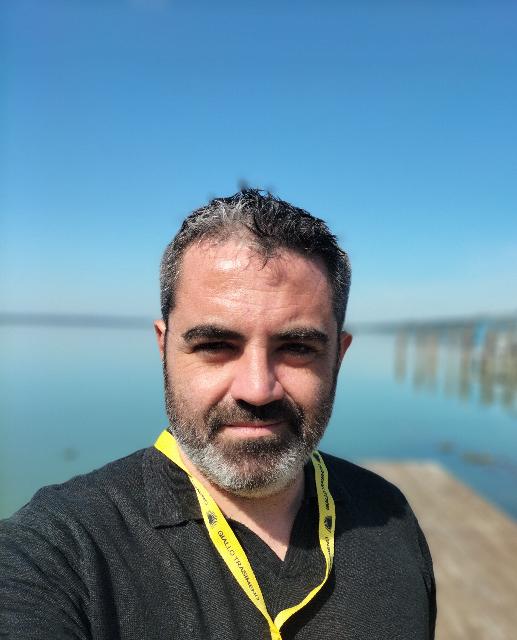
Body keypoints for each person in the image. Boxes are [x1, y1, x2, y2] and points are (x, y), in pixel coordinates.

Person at [0, 189, 436, 639]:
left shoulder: (389, 515)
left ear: (338, 357)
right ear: (164, 347)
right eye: (215, 345)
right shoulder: (58, 551)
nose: (257, 390)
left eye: (297, 347)